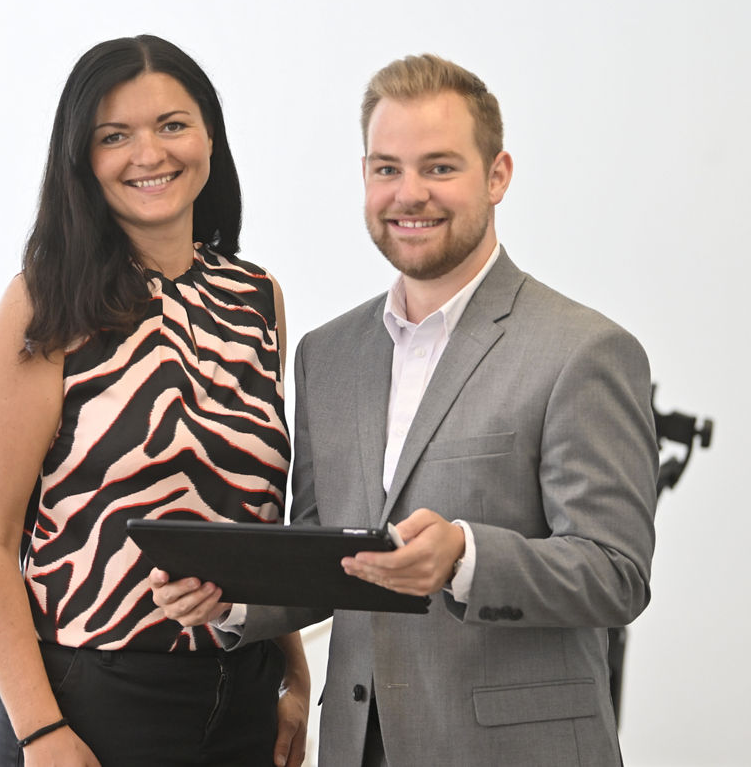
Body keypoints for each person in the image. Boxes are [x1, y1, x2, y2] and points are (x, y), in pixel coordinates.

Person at [152, 53, 658, 767]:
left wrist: (465, 556)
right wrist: (228, 601)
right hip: (359, 749)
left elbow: (615, 574)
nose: (409, 193)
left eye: (440, 167)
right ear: (364, 177)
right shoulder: (326, 356)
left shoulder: (583, 350)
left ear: (497, 176)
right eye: (387, 168)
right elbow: (324, 554)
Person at [0, 34, 310, 767]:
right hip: (91, 702)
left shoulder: (256, 299)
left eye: (172, 125)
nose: (149, 154)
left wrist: (295, 676)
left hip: (242, 695)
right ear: (82, 159)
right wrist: (41, 733)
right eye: (115, 136)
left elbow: (255, 517)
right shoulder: (45, 303)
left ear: (210, 136)